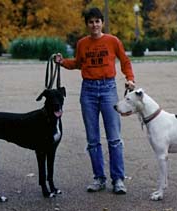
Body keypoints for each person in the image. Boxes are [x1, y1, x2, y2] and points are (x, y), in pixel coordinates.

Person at [55, 7, 135, 194]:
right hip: (88, 91)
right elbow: (77, 63)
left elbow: (125, 61)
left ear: (102, 23)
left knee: (114, 138)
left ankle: (118, 179)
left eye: (97, 21)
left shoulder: (113, 41)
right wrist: (62, 62)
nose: (94, 25)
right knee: (92, 139)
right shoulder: (82, 43)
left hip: (108, 89)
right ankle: (99, 178)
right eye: (91, 22)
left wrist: (130, 78)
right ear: (87, 25)